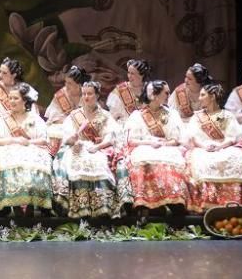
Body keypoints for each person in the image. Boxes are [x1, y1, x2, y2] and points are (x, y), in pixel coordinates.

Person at [52, 81, 130, 218]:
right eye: (84, 94)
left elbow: (110, 137)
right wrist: (73, 139)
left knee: (100, 169)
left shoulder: (105, 115)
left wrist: (97, 147)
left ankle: (102, 209)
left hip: (98, 149)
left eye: (90, 94)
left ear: (97, 95)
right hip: (77, 148)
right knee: (74, 168)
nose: (86, 97)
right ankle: (79, 209)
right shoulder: (74, 115)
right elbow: (67, 138)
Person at [184, 83, 242, 211]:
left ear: (212, 97)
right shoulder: (197, 117)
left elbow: (233, 137)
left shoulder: (227, 115)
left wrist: (220, 146)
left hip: (224, 147)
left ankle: (233, 200)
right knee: (200, 161)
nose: (199, 98)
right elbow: (193, 137)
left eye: (203, 95)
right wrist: (205, 146)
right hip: (202, 148)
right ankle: (205, 202)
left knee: (238, 158)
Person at [121, 80, 188, 212]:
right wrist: (150, 143)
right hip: (144, 147)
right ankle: (144, 204)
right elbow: (131, 141)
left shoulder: (171, 114)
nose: (169, 95)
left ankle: (172, 202)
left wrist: (164, 144)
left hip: (167, 148)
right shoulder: (137, 116)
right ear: (155, 95)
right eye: (166, 92)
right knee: (142, 160)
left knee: (171, 161)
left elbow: (176, 139)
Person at [0, 83, 53, 213]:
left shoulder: (35, 119)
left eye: (15, 98)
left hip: (31, 149)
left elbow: (44, 140)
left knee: (35, 164)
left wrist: (29, 143)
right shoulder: (2, 120)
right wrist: (14, 140)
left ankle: (32, 206)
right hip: (7, 150)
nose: (11, 101)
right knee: (10, 163)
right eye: (10, 98)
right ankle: (14, 207)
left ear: (25, 100)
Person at [44, 65, 91, 156]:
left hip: (82, 130)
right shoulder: (61, 95)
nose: (66, 86)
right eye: (66, 82)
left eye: (70, 83)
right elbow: (55, 119)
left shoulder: (88, 95)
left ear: (80, 86)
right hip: (62, 129)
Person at [0, 57, 38, 122]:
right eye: (0, 71)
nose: (0, 75)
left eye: (4, 73)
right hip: (1, 125)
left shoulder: (25, 88)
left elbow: (33, 112)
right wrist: (4, 115)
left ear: (14, 75)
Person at [106, 59, 150, 123]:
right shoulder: (120, 90)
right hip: (126, 129)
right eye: (128, 73)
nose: (129, 76)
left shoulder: (150, 89)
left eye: (132, 73)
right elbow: (112, 117)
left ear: (141, 75)